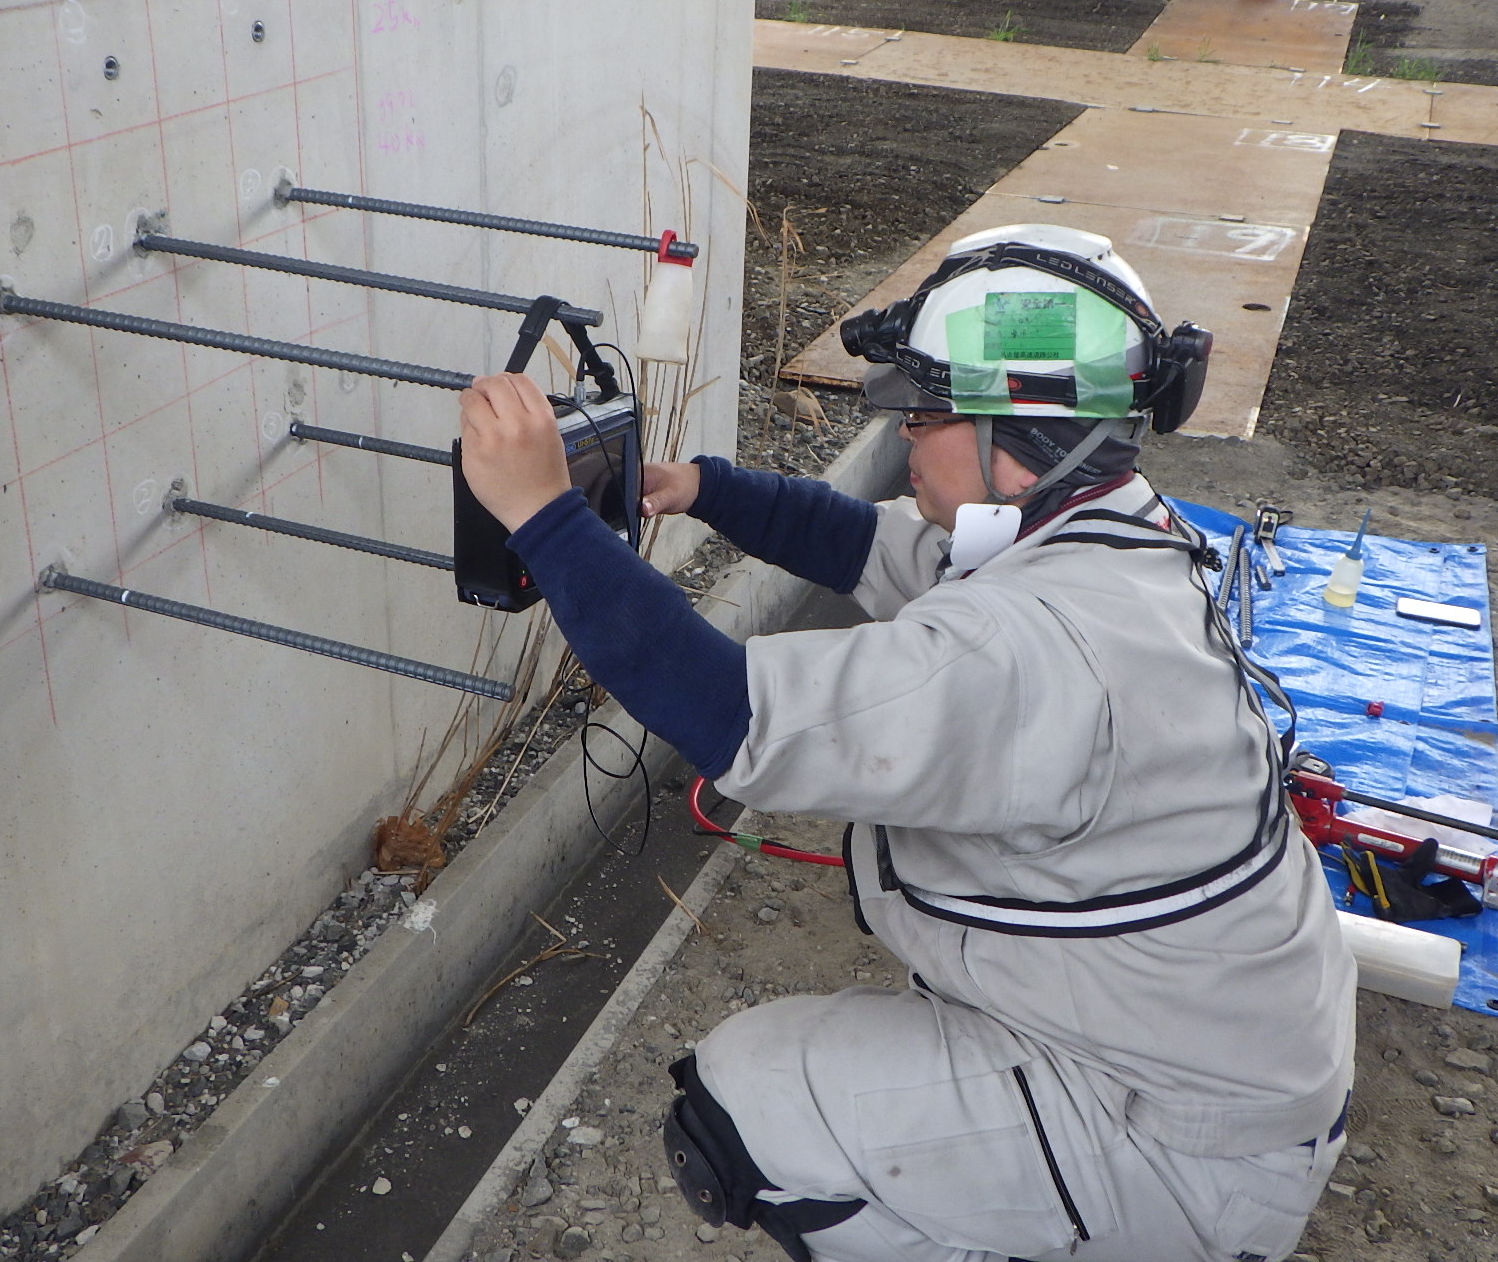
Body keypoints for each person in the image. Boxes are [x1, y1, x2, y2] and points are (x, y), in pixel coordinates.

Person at [457, 226, 1356, 1262]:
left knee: (742, 1109)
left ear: (1016, 433)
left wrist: (542, 513)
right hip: (1205, 1056)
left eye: (925, 412)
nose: (904, 436)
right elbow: (873, 544)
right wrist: (701, 486)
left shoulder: (1034, 645)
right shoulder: (1107, 529)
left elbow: (730, 712)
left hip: (1177, 1143)